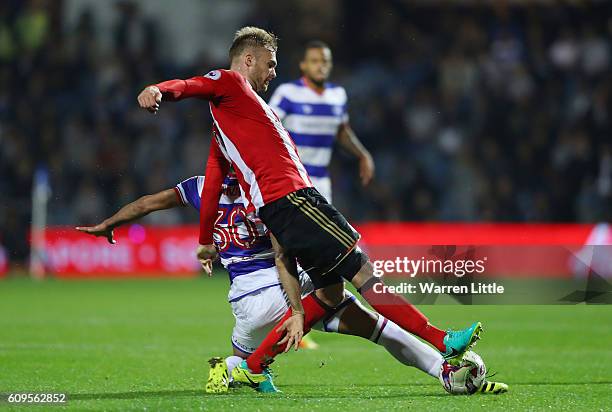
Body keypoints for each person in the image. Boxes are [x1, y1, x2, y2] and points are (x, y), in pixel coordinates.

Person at [136, 26, 482, 392]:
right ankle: (442, 340)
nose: (273, 72)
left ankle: (252, 366)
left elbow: (210, 184)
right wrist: (160, 90)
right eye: (269, 65)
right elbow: (192, 85)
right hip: (294, 200)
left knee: (330, 293)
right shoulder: (230, 82)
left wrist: (205, 239)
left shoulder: (229, 125)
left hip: (282, 208)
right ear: (248, 60)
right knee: (363, 271)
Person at [75, 173, 448, 393]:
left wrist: (110, 223)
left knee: (364, 324)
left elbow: (146, 204)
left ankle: (237, 365)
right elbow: (284, 254)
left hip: (246, 303)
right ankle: (443, 364)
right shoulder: (264, 189)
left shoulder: (200, 186)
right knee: (351, 302)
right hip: (278, 289)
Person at [268, 40, 374, 203]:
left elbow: (342, 132)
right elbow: (266, 126)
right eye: (314, 61)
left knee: (322, 228)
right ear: (303, 65)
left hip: (321, 181)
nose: (320, 66)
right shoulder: (288, 93)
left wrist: (362, 154)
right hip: (290, 179)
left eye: (324, 61)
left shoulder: (338, 95)